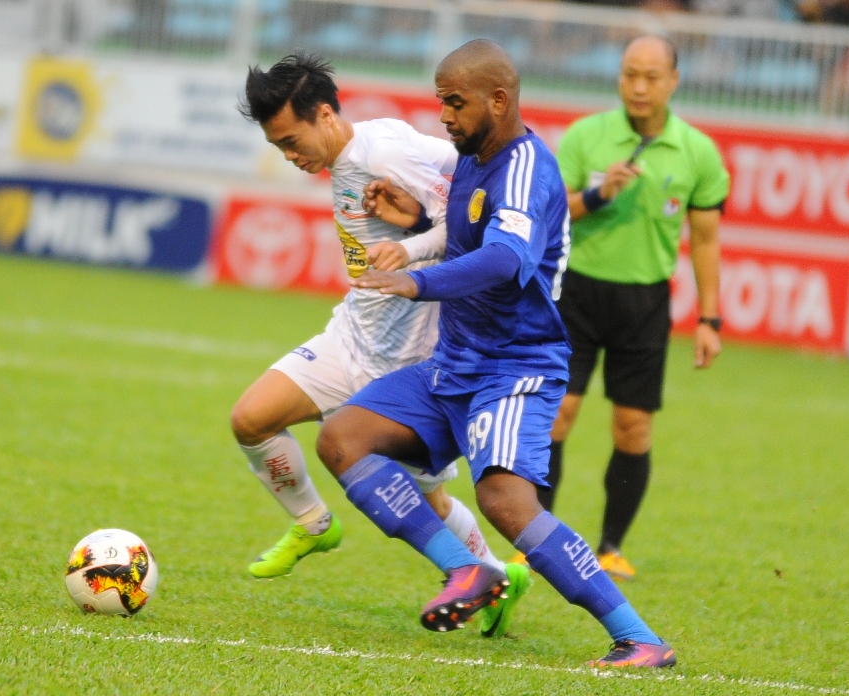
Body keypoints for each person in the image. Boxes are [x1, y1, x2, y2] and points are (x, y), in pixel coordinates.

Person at [316, 39, 676, 668]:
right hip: (455, 361)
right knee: (343, 438)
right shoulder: (476, 159)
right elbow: (469, 235)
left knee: (505, 503)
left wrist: (417, 280)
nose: (445, 117)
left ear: (498, 99)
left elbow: (507, 258)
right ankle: (468, 572)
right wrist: (414, 232)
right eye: (441, 104)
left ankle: (639, 637)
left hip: (515, 367)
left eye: (454, 104)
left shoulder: (526, 166)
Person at [231, 53, 530, 635]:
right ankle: (313, 524)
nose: (292, 157)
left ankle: (494, 576)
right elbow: (452, 161)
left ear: (324, 113)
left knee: (427, 502)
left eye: (293, 141)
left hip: (410, 360)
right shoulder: (369, 142)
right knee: (251, 420)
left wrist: (414, 244)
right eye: (279, 149)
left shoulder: (381, 154)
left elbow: (470, 223)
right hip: (351, 336)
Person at [537, 35, 730, 582]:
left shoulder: (697, 153)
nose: (639, 86)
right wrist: (597, 196)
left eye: (651, 76)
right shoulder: (587, 136)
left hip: (644, 302)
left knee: (633, 429)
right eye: (629, 74)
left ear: (674, 81)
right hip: (575, 293)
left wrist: (710, 320)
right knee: (557, 417)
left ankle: (611, 547)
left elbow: (707, 240)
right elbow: (550, 213)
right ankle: (537, 539)